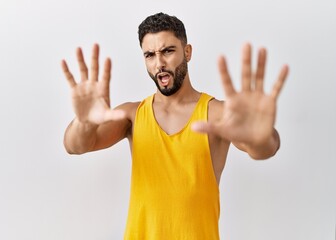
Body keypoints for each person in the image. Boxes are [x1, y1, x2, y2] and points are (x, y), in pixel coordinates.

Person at [61, 12, 288, 240]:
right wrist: (84, 123)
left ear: (187, 52)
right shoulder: (132, 115)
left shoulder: (215, 113)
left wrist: (261, 137)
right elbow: (75, 145)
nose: (159, 63)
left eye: (168, 51)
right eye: (150, 55)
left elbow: (265, 148)